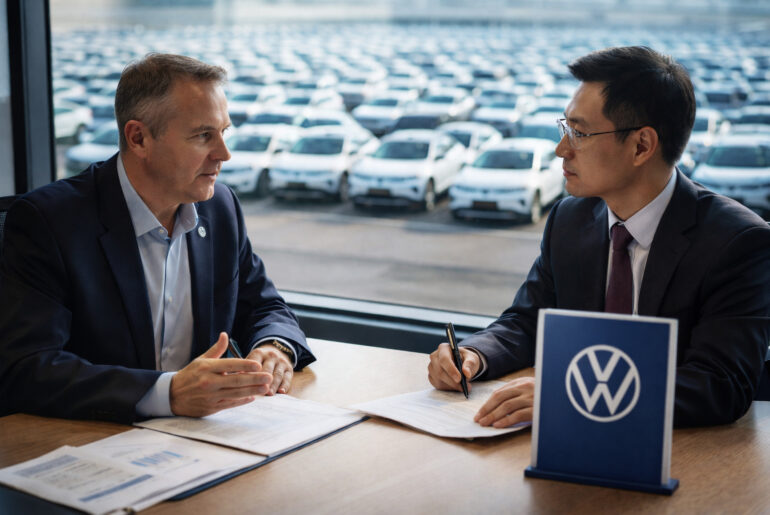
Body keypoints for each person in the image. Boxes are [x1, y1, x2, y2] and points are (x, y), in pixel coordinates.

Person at [428, 46, 770, 428]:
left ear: (641, 146)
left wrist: (570, 396)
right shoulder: (569, 219)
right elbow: (528, 322)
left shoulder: (737, 242)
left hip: (682, 457)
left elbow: (721, 384)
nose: (561, 150)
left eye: (579, 133)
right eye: (565, 129)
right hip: (570, 445)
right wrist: (474, 354)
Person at [0, 53, 315, 423]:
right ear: (139, 138)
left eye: (223, 132)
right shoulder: (49, 222)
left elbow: (265, 306)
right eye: (203, 136)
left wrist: (275, 347)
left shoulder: (220, 208)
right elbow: (28, 367)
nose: (224, 154)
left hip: (201, 438)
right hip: (94, 438)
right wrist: (168, 392)